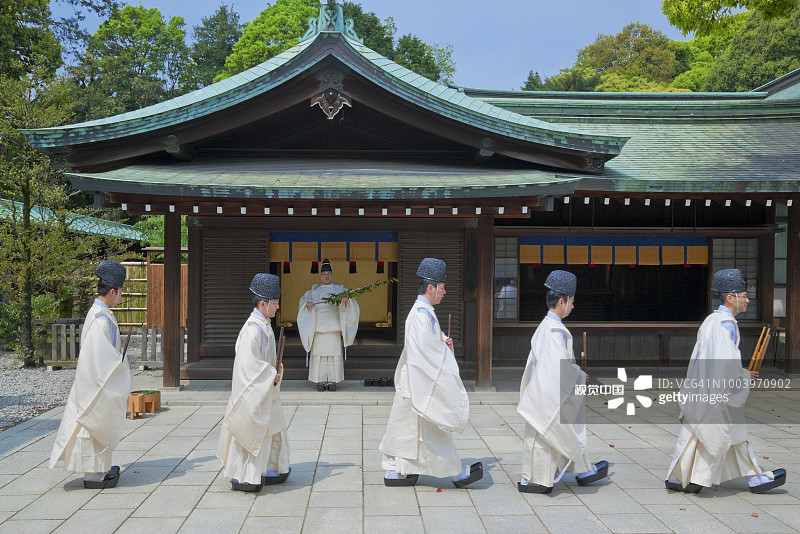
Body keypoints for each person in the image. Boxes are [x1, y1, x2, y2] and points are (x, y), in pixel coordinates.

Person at [665, 268, 786, 494]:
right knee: (715, 434)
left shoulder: (712, 320)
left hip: (703, 388)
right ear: (731, 298)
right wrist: (744, 375)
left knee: (707, 433)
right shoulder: (725, 324)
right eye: (744, 295)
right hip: (717, 391)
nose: (748, 300)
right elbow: (724, 364)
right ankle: (685, 477)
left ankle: (678, 477)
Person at [380, 257, 483, 488]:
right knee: (429, 430)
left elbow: (430, 345)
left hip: (417, 380)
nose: (444, 292)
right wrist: (442, 348)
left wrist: (443, 342)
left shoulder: (424, 313)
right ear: (430, 288)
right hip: (419, 381)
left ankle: (400, 471)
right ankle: (454, 472)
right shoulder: (420, 314)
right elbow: (425, 350)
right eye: (442, 287)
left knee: (408, 430)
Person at [517, 270, 608, 494]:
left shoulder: (548, 327)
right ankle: (535, 480)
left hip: (544, 389)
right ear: (561, 301)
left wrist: (575, 373)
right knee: (548, 434)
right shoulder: (554, 332)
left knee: (567, 427)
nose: (573, 306)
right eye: (572, 301)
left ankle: (583, 469)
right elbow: (556, 370)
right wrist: (578, 376)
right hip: (546, 394)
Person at [49, 259, 131, 489]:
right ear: (113, 291)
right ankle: (94, 476)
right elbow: (99, 358)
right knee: (94, 425)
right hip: (96, 382)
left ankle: (98, 470)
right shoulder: (100, 320)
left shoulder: (99, 313)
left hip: (95, 378)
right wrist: (119, 367)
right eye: (121, 292)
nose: (121, 297)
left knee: (93, 428)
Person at [218, 273, 290, 492]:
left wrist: (273, 372)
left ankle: (271, 468)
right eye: (275, 303)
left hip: (265, 387)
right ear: (263, 303)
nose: (278, 307)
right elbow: (248, 366)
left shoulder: (263, 324)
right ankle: (245, 476)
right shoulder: (252, 330)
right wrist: (270, 373)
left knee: (272, 427)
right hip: (252, 391)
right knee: (251, 431)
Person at [297, 259, 359, 391]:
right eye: (324, 274)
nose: (326, 276)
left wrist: (347, 301)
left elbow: (352, 304)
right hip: (318, 330)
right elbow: (303, 303)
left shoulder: (341, 290)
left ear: (332, 275)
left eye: (329, 274)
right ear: (320, 275)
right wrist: (307, 305)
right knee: (319, 356)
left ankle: (332, 380)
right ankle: (319, 380)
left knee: (333, 356)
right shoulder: (312, 292)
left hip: (333, 329)